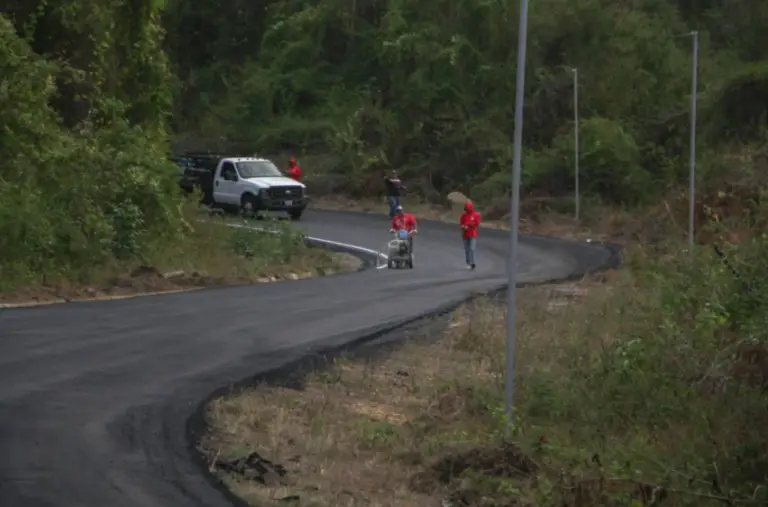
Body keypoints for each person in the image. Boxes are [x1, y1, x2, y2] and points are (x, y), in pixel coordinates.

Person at [459, 200, 481, 269]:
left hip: (472, 234)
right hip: (465, 234)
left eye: (467, 208)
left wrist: (469, 225)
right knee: (467, 249)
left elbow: (477, 223)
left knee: (472, 249)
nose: (466, 210)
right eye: (466, 208)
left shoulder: (475, 215)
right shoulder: (463, 215)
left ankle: (472, 263)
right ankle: (468, 262)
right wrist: (463, 226)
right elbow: (461, 224)